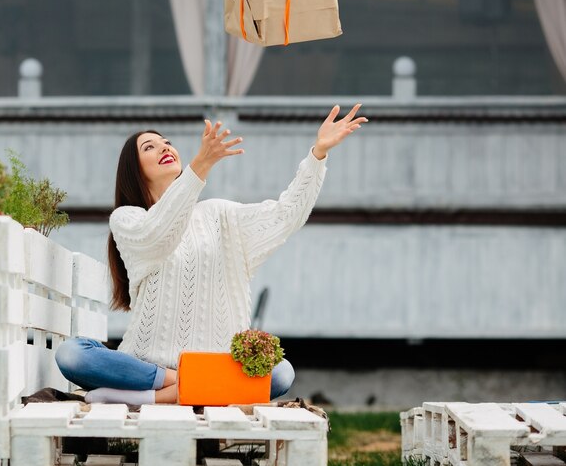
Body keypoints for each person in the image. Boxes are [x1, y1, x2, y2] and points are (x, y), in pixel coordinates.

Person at [56, 104, 368, 405]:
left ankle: (155, 399)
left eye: (166, 143)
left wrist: (318, 154)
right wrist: (200, 166)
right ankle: (178, 387)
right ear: (133, 170)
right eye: (149, 147)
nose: (164, 147)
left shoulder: (219, 215)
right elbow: (160, 234)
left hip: (215, 365)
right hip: (147, 367)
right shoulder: (128, 219)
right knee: (72, 354)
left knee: (281, 372)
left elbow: (285, 216)